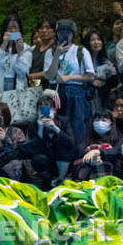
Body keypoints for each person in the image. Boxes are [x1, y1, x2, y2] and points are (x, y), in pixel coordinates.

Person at [44, 18, 94, 150]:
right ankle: (56, 154)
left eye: (68, 31)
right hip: (55, 92)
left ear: (73, 34)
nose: (64, 34)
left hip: (76, 93)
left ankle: (78, 154)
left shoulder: (81, 51)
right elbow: (48, 75)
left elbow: (90, 75)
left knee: (77, 126)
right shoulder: (50, 52)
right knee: (55, 124)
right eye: (61, 31)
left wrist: (69, 78)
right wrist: (56, 55)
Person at [9, 91, 76, 189]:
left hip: (63, 159)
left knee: (63, 146)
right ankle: (47, 179)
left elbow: (71, 143)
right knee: (37, 159)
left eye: (47, 109)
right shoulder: (34, 124)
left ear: (54, 110)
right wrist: (40, 129)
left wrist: (56, 129)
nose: (44, 113)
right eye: (41, 110)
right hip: (47, 158)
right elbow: (36, 147)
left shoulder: (63, 121)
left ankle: (61, 179)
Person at [0, 15, 31, 109]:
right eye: (9, 28)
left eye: (15, 28)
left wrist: (19, 53)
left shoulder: (26, 48)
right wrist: (3, 46)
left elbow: (23, 72)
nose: (12, 31)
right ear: (4, 30)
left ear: (20, 30)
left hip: (17, 89)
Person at [71, 110, 123, 181]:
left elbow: (116, 151)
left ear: (111, 122)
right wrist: (90, 155)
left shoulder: (119, 137)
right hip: (88, 165)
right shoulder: (88, 137)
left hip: (112, 167)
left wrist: (97, 152)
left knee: (102, 165)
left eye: (104, 120)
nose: (100, 122)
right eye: (96, 120)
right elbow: (79, 150)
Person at [86, 28, 117, 111]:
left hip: (102, 98)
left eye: (99, 39)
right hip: (88, 98)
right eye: (93, 40)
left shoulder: (105, 61)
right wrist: (92, 81)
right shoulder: (84, 60)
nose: (96, 42)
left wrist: (103, 82)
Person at [27, 18, 56, 85]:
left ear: (54, 31)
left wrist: (33, 76)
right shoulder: (33, 49)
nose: (44, 30)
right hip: (32, 86)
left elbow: (54, 70)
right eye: (41, 28)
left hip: (49, 87)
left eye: (48, 28)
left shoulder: (56, 49)